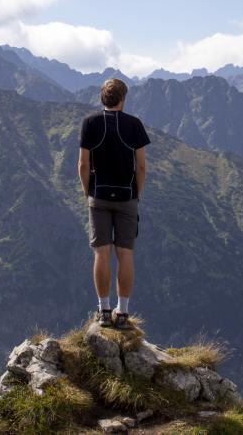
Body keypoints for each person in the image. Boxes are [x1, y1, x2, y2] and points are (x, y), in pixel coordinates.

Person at [78, 77, 150, 329]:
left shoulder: (90, 123)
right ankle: (123, 313)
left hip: (98, 195)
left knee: (101, 252)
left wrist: (89, 192)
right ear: (122, 98)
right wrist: (136, 193)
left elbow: (83, 164)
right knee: (125, 253)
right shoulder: (134, 125)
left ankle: (104, 310)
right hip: (126, 196)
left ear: (102, 98)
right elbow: (140, 166)